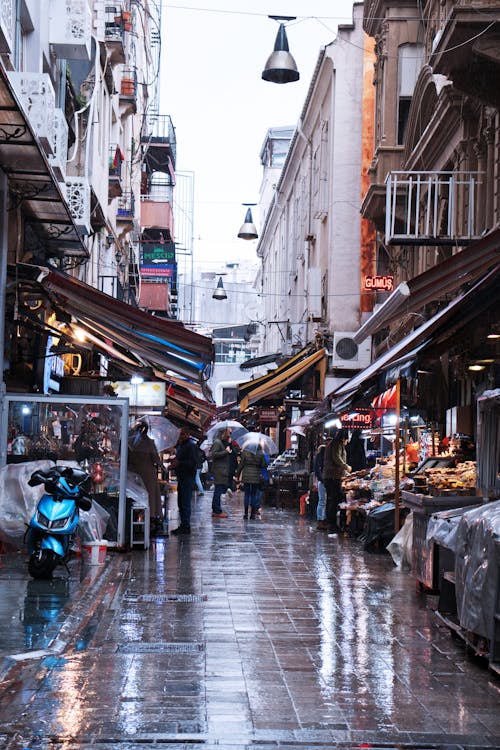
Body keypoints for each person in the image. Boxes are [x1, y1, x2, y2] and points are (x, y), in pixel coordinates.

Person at [128, 422, 163, 535]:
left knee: (135, 497)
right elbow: (155, 459)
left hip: (133, 474)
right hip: (148, 473)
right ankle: (149, 521)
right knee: (150, 498)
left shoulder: (130, 443)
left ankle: (136, 520)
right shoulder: (150, 443)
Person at [169, 428, 197, 535]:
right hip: (182, 477)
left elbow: (192, 464)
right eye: (180, 434)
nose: (181, 436)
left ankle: (185, 525)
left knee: (185, 502)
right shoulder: (182, 446)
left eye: (183, 434)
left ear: (188, 434)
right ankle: (183, 524)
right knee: (181, 502)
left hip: (187, 477)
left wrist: (179, 463)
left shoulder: (190, 446)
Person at [323, 428, 351, 534]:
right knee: (333, 500)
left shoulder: (333, 443)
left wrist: (346, 473)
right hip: (333, 477)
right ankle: (332, 524)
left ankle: (330, 523)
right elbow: (337, 458)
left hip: (330, 476)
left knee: (331, 499)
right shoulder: (337, 444)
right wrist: (346, 467)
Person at [236, 447, 267, 519]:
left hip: (246, 476)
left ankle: (246, 513)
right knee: (253, 494)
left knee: (247, 494)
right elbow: (264, 465)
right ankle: (252, 514)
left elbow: (241, 465)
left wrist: (237, 475)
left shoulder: (245, 452)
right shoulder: (260, 453)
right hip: (256, 476)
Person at [210, 427, 231, 518]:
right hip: (219, 470)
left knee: (218, 490)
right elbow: (214, 454)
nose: (230, 435)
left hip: (221, 470)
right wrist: (225, 452)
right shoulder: (217, 442)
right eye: (229, 433)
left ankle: (216, 510)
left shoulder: (221, 442)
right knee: (218, 491)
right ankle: (217, 510)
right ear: (224, 433)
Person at [314, 443, 327, 530]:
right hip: (323, 481)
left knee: (322, 501)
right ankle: (321, 520)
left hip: (321, 481)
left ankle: (321, 520)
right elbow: (318, 470)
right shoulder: (322, 458)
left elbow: (316, 469)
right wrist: (322, 479)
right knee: (323, 501)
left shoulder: (318, 457)